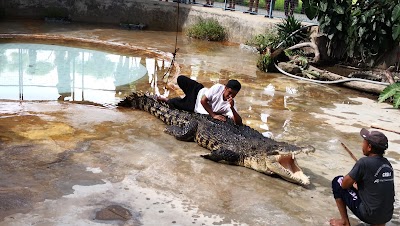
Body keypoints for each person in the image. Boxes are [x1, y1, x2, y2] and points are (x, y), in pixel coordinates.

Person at [330, 128, 395, 226]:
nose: (362, 144)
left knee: (338, 181)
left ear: (369, 147)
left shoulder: (364, 162)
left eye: (363, 142)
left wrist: (353, 182)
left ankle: (344, 222)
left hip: (369, 215)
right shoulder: (387, 164)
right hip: (386, 216)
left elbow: (344, 184)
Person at [157, 75, 243, 125]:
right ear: (225, 88)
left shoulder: (230, 104)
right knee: (181, 79)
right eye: (230, 92)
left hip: (193, 104)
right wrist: (213, 115)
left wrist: (232, 108)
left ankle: (166, 99)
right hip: (199, 90)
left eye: (234, 94)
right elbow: (203, 100)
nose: (231, 95)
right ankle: (185, 96)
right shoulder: (218, 87)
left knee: (173, 103)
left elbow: (238, 123)